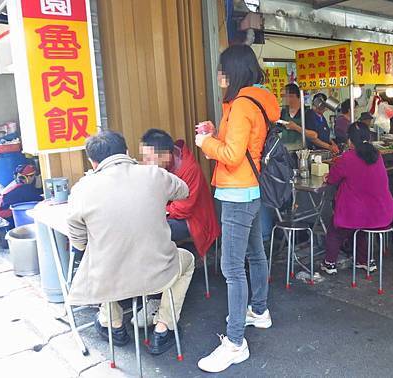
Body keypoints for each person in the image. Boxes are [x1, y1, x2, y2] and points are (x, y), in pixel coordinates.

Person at [66, 130, 194, 356]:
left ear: (93, 162)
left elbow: (78, 240)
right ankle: (164, 328)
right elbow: (183, 190)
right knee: (188, 260)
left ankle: (114, 326)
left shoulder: (81, 189)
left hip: (111, 277)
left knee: (98, 262)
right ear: (126, 152)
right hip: (157, 272)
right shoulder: (154, 175)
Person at [195, 44, 275, 373]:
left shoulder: (242, 104)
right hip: (251, 191)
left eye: (223, 69)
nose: (219, 75)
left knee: (231, 268)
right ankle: (259, 310)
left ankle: (235, 343)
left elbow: (231, 155)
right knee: (255, 255)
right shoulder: (256, 99)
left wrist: (204, 144)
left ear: (235, 71)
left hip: (237, 193)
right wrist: (215, 133)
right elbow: (241, 145)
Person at [320, 123, 393, 275]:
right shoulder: (377, 155)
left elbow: (332, 179)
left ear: (350, 141)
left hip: (356, 214)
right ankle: (365, 260)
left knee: (336, 230)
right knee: (360, 228)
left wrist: (326, 176)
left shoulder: (347, 157)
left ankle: (329, 263)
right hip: (381, 213)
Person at [140, 129, 220, 248]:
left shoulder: (189, 169)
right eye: (143, 157)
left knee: (151, 228)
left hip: (193, 220)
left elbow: (183, 209)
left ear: (166, 156)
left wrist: (155, 211)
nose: (144, 163)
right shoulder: (158, 167)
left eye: (148, 158)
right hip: (169, 213)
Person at [0, 164, 43, 229]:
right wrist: (39, 186)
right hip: (7, 216)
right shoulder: (24, 189)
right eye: (34, 176)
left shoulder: (15, 183)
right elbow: (40, 200)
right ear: (29, 177)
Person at [279, 83, 318, 151]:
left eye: (290, 96)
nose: (287, 99)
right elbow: (278, 130)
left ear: (299, 97)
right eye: (284, 96)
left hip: (301, 153)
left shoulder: (307, 113)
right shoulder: (284, 112)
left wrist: (296, 127)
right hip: (285, 152)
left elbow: (314, 135)